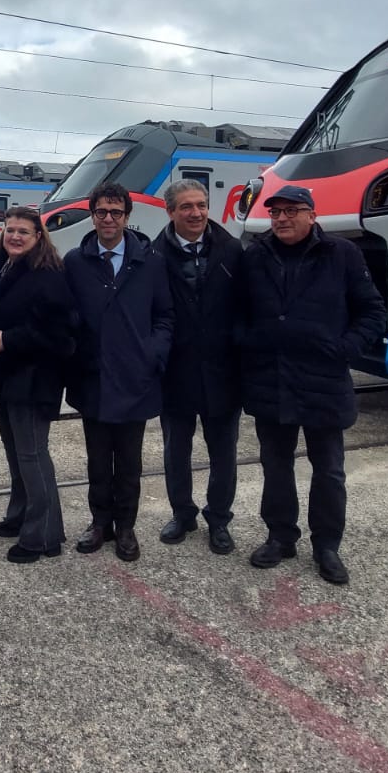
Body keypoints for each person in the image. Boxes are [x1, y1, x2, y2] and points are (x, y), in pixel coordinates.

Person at [239, 184, 387, 585]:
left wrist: (345, 349)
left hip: (323, 380)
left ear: (311, 215)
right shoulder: (255, 257)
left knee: (329, 470)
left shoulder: (342, 255)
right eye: (276, 213)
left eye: (291, 211)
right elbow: (237, 313)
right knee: (275, 465)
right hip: (271, 379)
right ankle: (280, 536)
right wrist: (249, 343)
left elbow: (372, 311)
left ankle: (327, 546)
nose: (282, 219)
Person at [63, 181, 174, 562]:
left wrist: (152, 352)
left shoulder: (150, 261)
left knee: (129, 461)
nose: (108, 218)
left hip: (135, 377)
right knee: (96, 458)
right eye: (101, 212)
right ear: (92, 216)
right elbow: (66, 313)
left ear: (128, 216)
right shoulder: (76, 262)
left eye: (116, 212)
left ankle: (125, 527)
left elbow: (165, 315)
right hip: (92, 375)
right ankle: (99, 523)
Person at [0, 206, 76, 563]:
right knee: (16, 454)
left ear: (38, 237)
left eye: (23, 231)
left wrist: (10, 339)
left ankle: (44, 536)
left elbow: (61, 334)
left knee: (33, 455)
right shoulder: (3, 266)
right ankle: (21, 514)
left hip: (34, 379)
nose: (15, 236)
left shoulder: (48, 274)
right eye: (10, 230)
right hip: (8, 377)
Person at [149, 179, 244, 555]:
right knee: (176, 451)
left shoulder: (233, 250)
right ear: (170, 212)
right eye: (186, 206)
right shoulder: (153, 256)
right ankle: (182, 514)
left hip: (223, 372)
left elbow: (246, 306)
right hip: (176, 372)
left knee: (224, 453)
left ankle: (219, 519)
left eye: (201, 205)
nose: (196, 213)